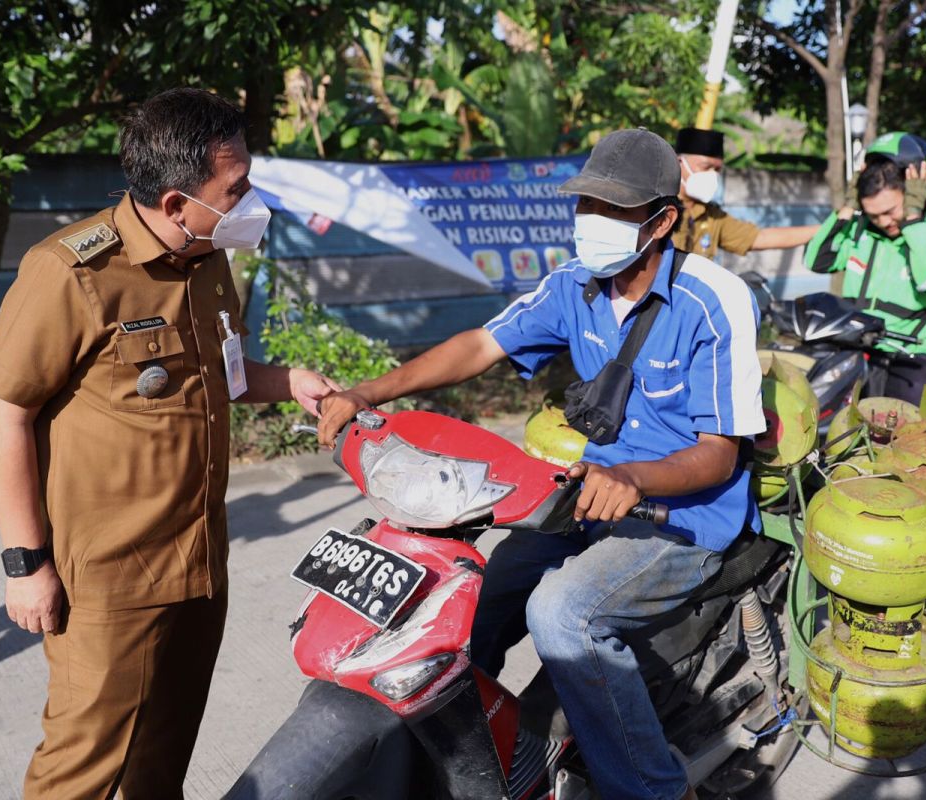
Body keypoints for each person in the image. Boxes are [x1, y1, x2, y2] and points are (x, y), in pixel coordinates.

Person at [318, 128, 765, 800]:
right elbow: (480, 343)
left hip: (683, 518)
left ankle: (650, 787)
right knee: (468, 600)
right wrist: (368, 392)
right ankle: (463, 759)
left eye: (613, 211)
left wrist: (635, 478)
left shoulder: (713, 299)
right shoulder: (573, 286)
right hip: (586, 500)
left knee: (561, 612)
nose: (592, 223)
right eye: (587, 205)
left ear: (663, 219)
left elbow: (718, 453)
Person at [0, 88, 337, 799]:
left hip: (200, 565)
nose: (250, 199)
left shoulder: (207, 259)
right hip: (111, 580)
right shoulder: (72, 272)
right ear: (177, 203)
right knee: (80, 770)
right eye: (234, 189)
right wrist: (25, 564)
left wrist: (291, 379)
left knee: (160, 764)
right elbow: (4, 409)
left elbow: (223, 374)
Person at [805, 131, 926, 406]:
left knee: (907, 439)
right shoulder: (860, 228)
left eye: (891, 211)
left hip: (913, 353)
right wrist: (847, 208)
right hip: (855, 344)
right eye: (874, 214)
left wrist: (912, 221)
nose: (883, 221)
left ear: (915, 189)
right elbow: (817, 260)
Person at [674, 126, 820, 260]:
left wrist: (825, 229)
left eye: (717, 170)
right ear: (679, 163)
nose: (712, 175)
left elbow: (761, 238)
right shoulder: (658, 207)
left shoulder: (711, 215)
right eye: (706, 167)